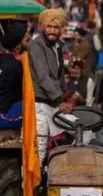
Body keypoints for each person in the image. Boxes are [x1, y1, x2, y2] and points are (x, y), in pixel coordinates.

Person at [29, 8, 72, 164]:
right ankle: (37, 183)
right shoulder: (36, 46)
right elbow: (43, 77)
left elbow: (59, 76)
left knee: (83, 131)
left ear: (60, 29)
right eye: (50, 27)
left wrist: (64, 98)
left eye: (56, 28)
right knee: (40, 147)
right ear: (43, 27)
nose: (52, 31)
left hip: (54, 102)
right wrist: (60, 100)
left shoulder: (58, 46)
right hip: (40, 103)